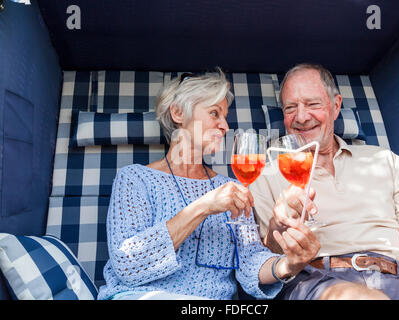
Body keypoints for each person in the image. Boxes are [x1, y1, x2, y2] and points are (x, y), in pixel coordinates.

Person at [97, 69, 308, 300]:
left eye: (225, 117)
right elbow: (128, 266)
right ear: (177, 113)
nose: (225, 127)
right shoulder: (135, 179)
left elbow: (250, 260)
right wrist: (204, 206)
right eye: (214, 113)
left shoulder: (230, 187)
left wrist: (288, 265)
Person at [249, 63, 399, 300]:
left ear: (336, 106)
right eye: (290, 108)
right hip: (317, 281)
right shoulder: (266, 176)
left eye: (313, 104)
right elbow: (265, 256)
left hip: (398, 281)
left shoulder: (384, 160)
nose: (301, 117)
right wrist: (278, 226)